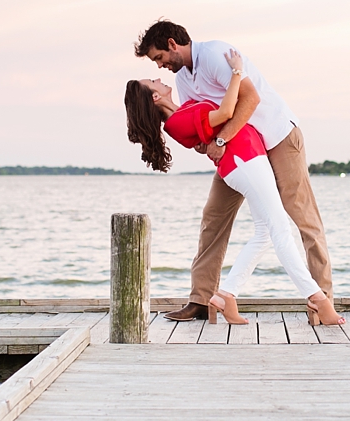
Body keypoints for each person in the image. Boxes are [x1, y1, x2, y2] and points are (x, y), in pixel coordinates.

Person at [133, 20, 335, 322]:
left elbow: (249, 99)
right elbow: (200, 127)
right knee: (214, 219)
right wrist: (210, 142)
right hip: (239, 152)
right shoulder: (183, 81)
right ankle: (203, 300)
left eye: (159, 57)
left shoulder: (216, 55)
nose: (160, 66)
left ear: (173, 44)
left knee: (303, 218)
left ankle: (322, 301)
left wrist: (219, 140)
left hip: (276, 136)